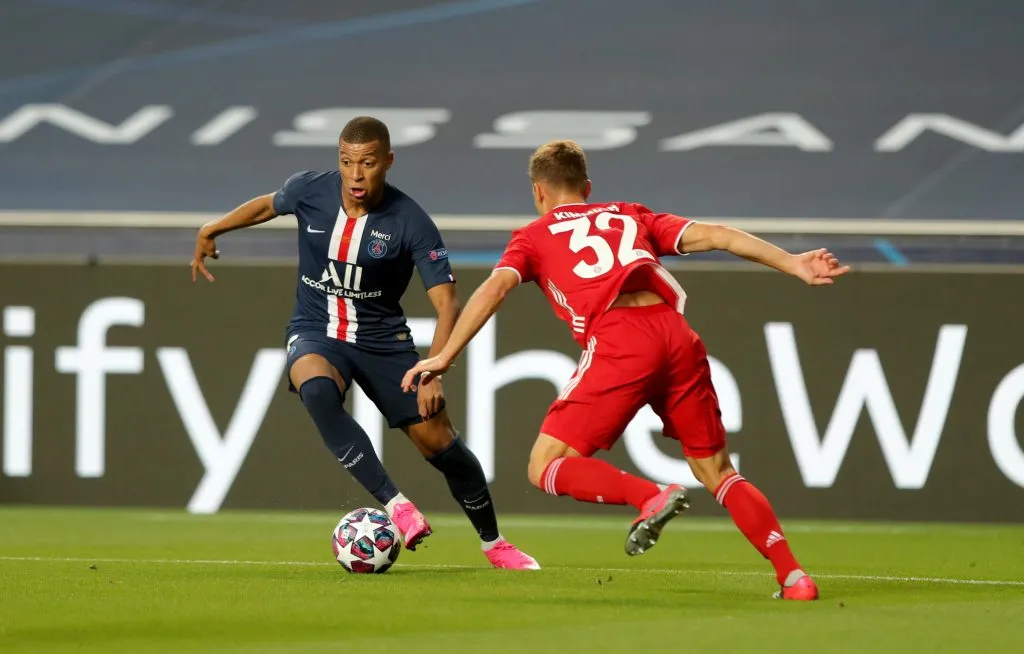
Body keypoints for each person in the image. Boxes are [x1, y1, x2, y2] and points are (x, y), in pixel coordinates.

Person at [401, 139, 850, 599]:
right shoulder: (629, 215)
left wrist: (444, 355)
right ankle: (794, 577)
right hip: (676, 334)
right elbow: (718, 234)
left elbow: (494, 289)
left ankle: (648, 497)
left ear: (539, 193)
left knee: (545, 466)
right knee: (718, 470)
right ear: (587, 187)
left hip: (620, 338)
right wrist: (793, 263)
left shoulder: (533, 236)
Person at [190, 116, 538, 570]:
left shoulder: (410, 221)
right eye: (347, 161)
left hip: (383, 343)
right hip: (316, 329)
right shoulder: (308, 190)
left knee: (443, 446)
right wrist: (212, 228)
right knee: (316, 391)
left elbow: (448, 304)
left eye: (368, 163)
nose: (356, 174)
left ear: (388, 162)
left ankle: (495, 544)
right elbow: (266, 206)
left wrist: (434, 368)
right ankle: (397, 505)